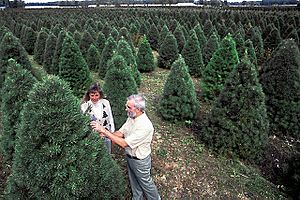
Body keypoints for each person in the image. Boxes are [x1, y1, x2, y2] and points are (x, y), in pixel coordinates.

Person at [90, 94, 161, 200]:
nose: (125, 109)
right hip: (130, 157)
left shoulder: (145, 126)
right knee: (134, 183)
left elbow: (124, 143)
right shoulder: (132, 117)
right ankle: (137, 198)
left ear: (137, 109)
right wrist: (106, 134)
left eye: (128, 107)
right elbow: (121, 132)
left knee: (146, 184)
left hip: (140, 162)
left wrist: (104, 130)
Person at [81, 83, 115, 154]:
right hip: (93, 137)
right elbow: (84, 124)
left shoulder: (106, 103)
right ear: (88, 95)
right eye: (92, 95)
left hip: (106, 135)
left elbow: (110, 118)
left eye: (96, 95)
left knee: (107, 154)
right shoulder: (84, 106)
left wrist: (112, 133)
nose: (94, 97)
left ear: (100, 94)